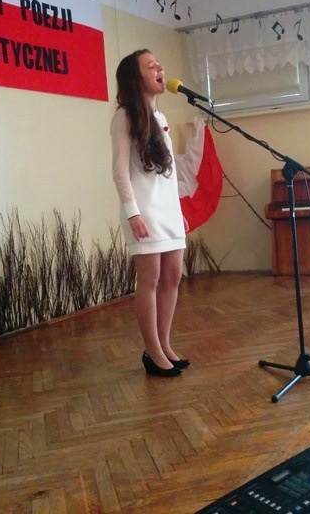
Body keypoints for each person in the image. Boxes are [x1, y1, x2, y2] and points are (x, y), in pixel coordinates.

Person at [111, 49, 190, 377]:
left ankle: (165, 345)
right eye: (151, 66)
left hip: (167, 210)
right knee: (151, 278)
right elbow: (120, 172)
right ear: (135, 77)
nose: (160, 68)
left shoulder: (161, 118)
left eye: (159, 64)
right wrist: (132, 213)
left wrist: (178, 209)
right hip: (143, 210)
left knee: (173, 277)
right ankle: (152, 351)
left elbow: (168, 174)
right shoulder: (124, 116)